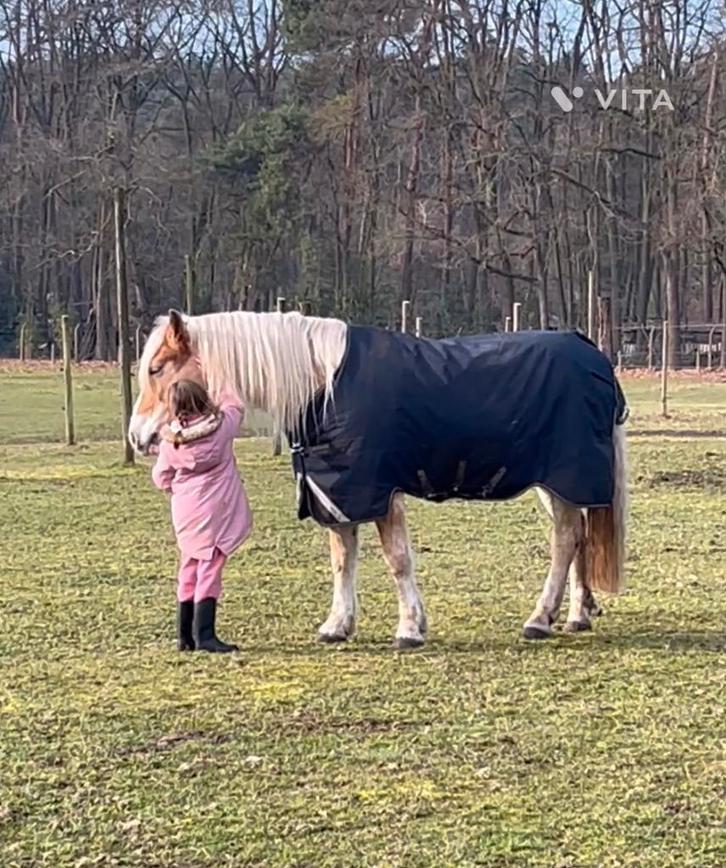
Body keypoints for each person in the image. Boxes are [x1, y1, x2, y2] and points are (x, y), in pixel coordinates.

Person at [151, 380, 252, 653]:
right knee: (210, 569)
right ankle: (205, 635)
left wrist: (176, 488)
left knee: (189, 566)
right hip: (217, 511)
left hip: (187, 511)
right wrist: (220, 377)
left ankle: (184, 635)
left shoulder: (171, 443)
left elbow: (160, 477)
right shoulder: (222, 428)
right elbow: (235, 405)